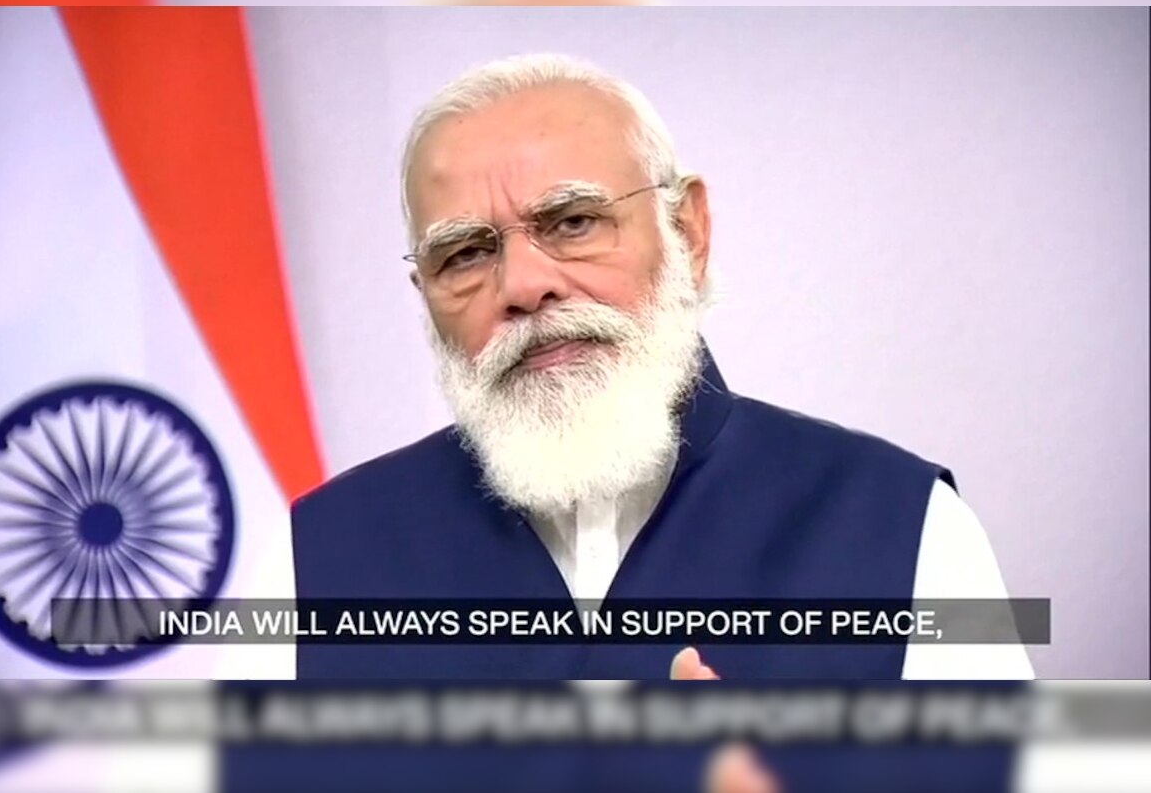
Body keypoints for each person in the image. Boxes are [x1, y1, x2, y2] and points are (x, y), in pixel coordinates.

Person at [291, 52, 1034, 683]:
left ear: (688, 232)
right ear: (425, 295)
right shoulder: (313, 558)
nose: (522, 285)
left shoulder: (902, 526)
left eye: (573, 222)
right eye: (465, 254)